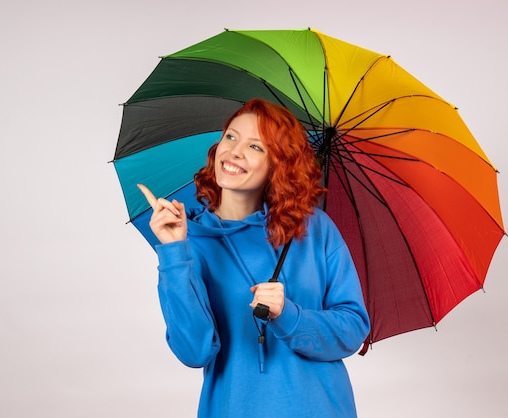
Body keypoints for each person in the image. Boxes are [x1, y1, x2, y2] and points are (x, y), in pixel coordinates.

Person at [137, 99, 370, 418]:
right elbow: (194, 351)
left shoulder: (314, 229)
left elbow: (353, 330)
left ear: (278, 164)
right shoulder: (189, 239)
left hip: (321, 408)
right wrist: (174, 252)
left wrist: (288, 315)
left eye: (256, 147)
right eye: (231, 137)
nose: (234, 152)